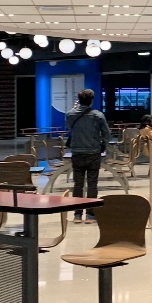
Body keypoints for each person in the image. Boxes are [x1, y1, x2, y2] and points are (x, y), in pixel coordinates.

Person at [66, 89, 112, 221]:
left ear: (79, 100)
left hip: (77, 153)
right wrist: (102, 144)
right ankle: (90, 214)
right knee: (92, 184)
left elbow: (68, 126)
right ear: (91, 101)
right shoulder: (98, 115)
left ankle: (77, 214)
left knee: (78, 184)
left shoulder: (70, 114)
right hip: (93, 153)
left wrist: (73, 109)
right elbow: (107, 135)